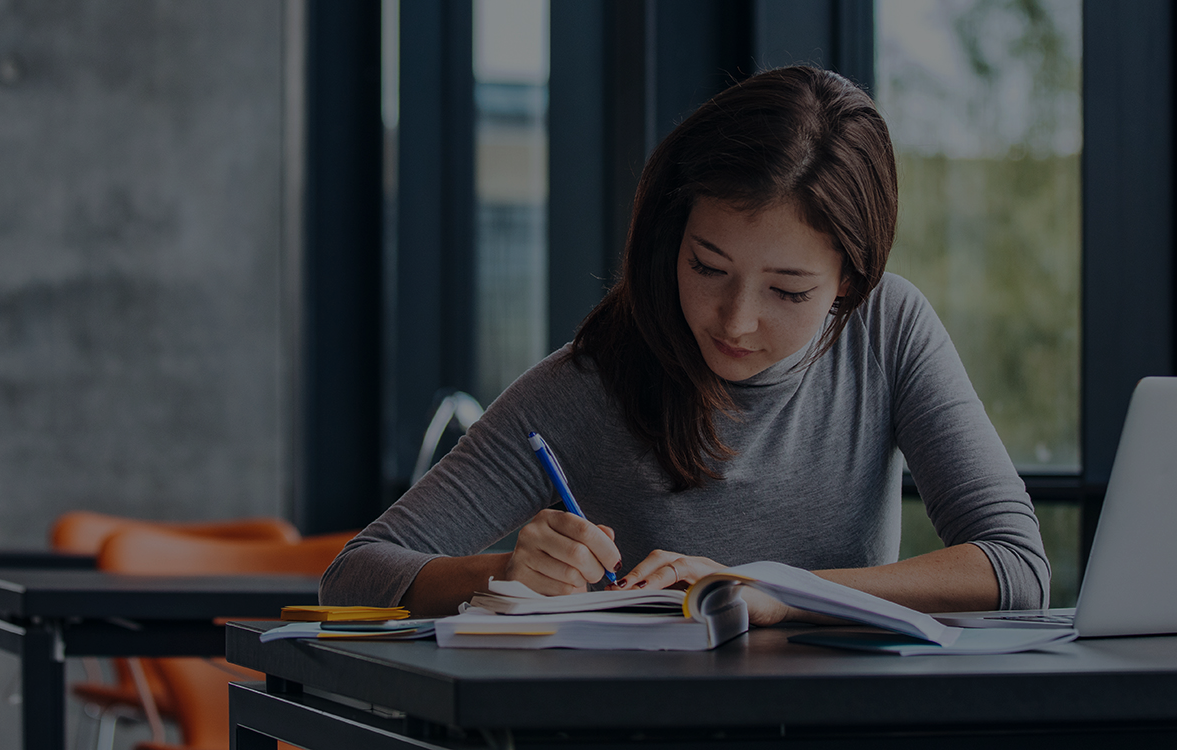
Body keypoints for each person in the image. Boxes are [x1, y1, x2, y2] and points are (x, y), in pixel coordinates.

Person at [322, 66, 1048, 625]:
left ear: (850, 283)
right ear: (671, 239)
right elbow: (354, 575)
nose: (735, 322)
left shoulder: (888, 329)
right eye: (707, 267)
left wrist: (769, 589)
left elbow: (1014, 566)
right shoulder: (593, 380)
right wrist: (502, 573)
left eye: (788, 292)